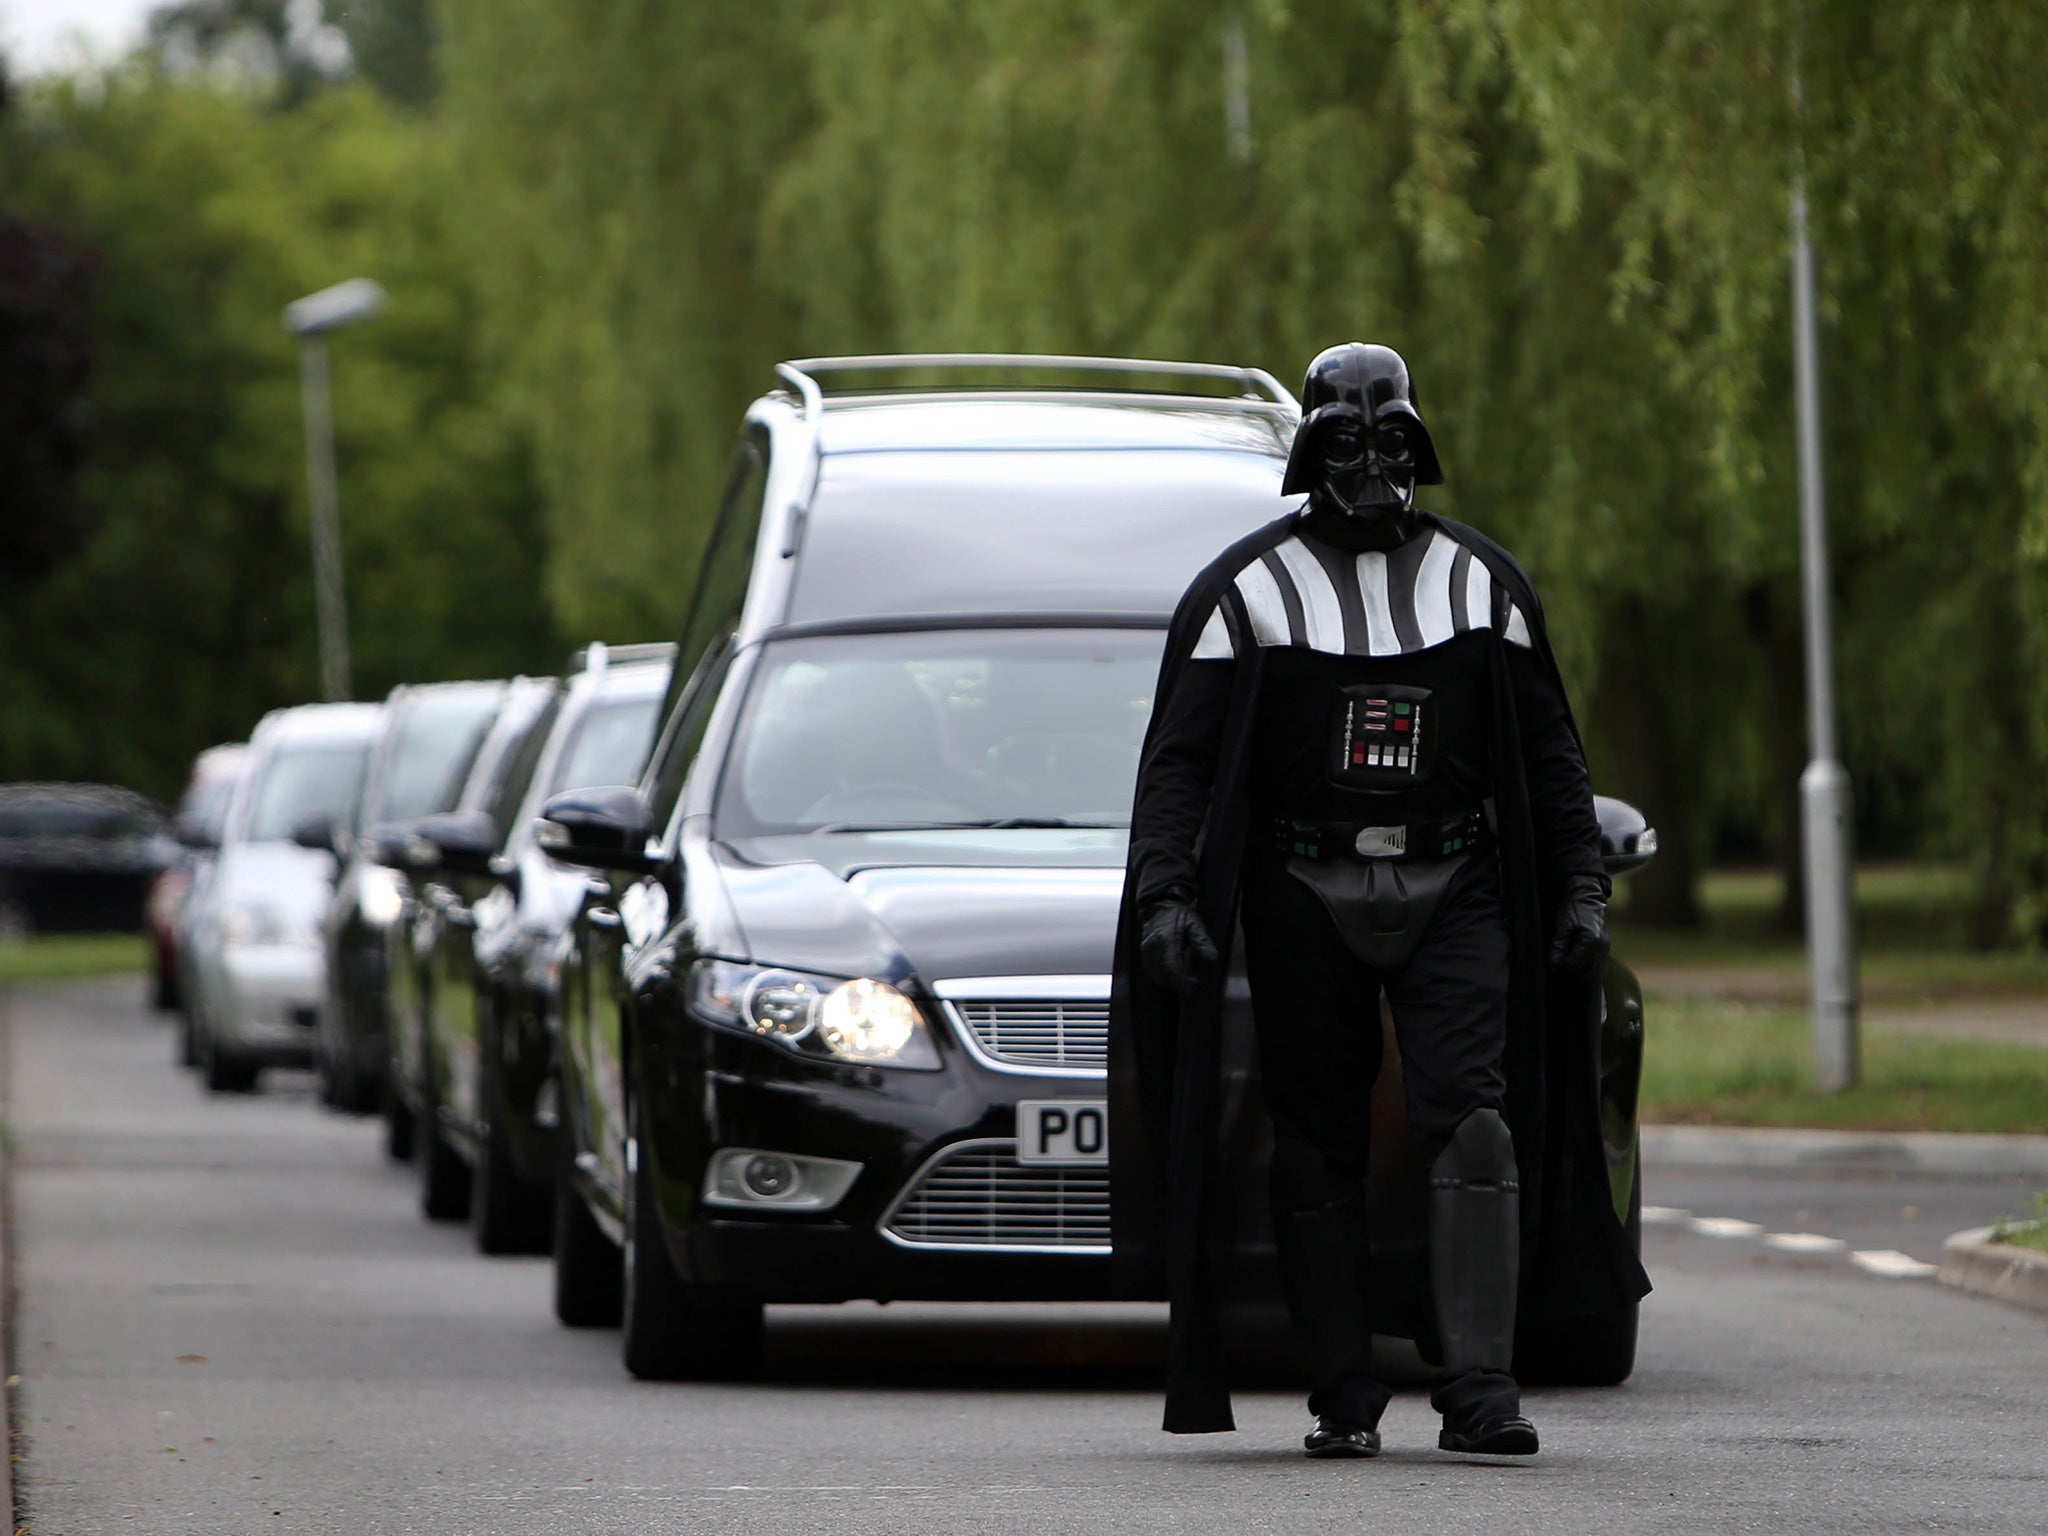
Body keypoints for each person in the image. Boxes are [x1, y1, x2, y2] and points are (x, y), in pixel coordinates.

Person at [1107, 342, 1648, 1456]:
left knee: (1475, 1119)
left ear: (1418, 443)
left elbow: (1549, 758)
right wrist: (1165, 898)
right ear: (1309, 452)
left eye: (1388, 439)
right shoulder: (1244, 592)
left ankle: (1482, 1392)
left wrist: (1578, 887)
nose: (1369, 463)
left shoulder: (1480, 585)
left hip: (1459, 883)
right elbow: (1179, 768)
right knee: (1313, 1137)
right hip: (1301, 886)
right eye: (1344, 441)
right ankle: (1342, 1395)